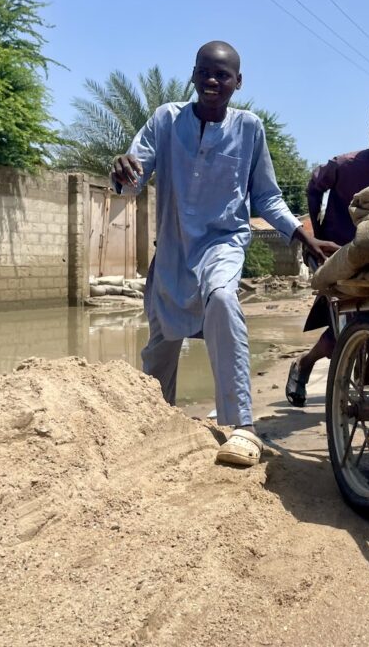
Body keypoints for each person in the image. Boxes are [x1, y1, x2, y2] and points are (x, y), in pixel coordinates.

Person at [111, 40, 337, 467]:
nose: (213, 81)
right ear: (194, 75)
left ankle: (242, 427)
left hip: (224, 242)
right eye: (205, 73)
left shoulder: (249, 128)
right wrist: (120, 170)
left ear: (238, 82)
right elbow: (132, 178)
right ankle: (156, 419)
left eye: (223, 75)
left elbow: (266, 198)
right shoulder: (165, 120)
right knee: (161, 342)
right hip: (174, 248)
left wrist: (301, 236)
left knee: (222, 298)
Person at [284, 99, 369, 406]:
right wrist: (316, 236)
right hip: (341, 252)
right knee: (343, 330)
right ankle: (304, 364)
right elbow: (313, 186)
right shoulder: (345, 165)